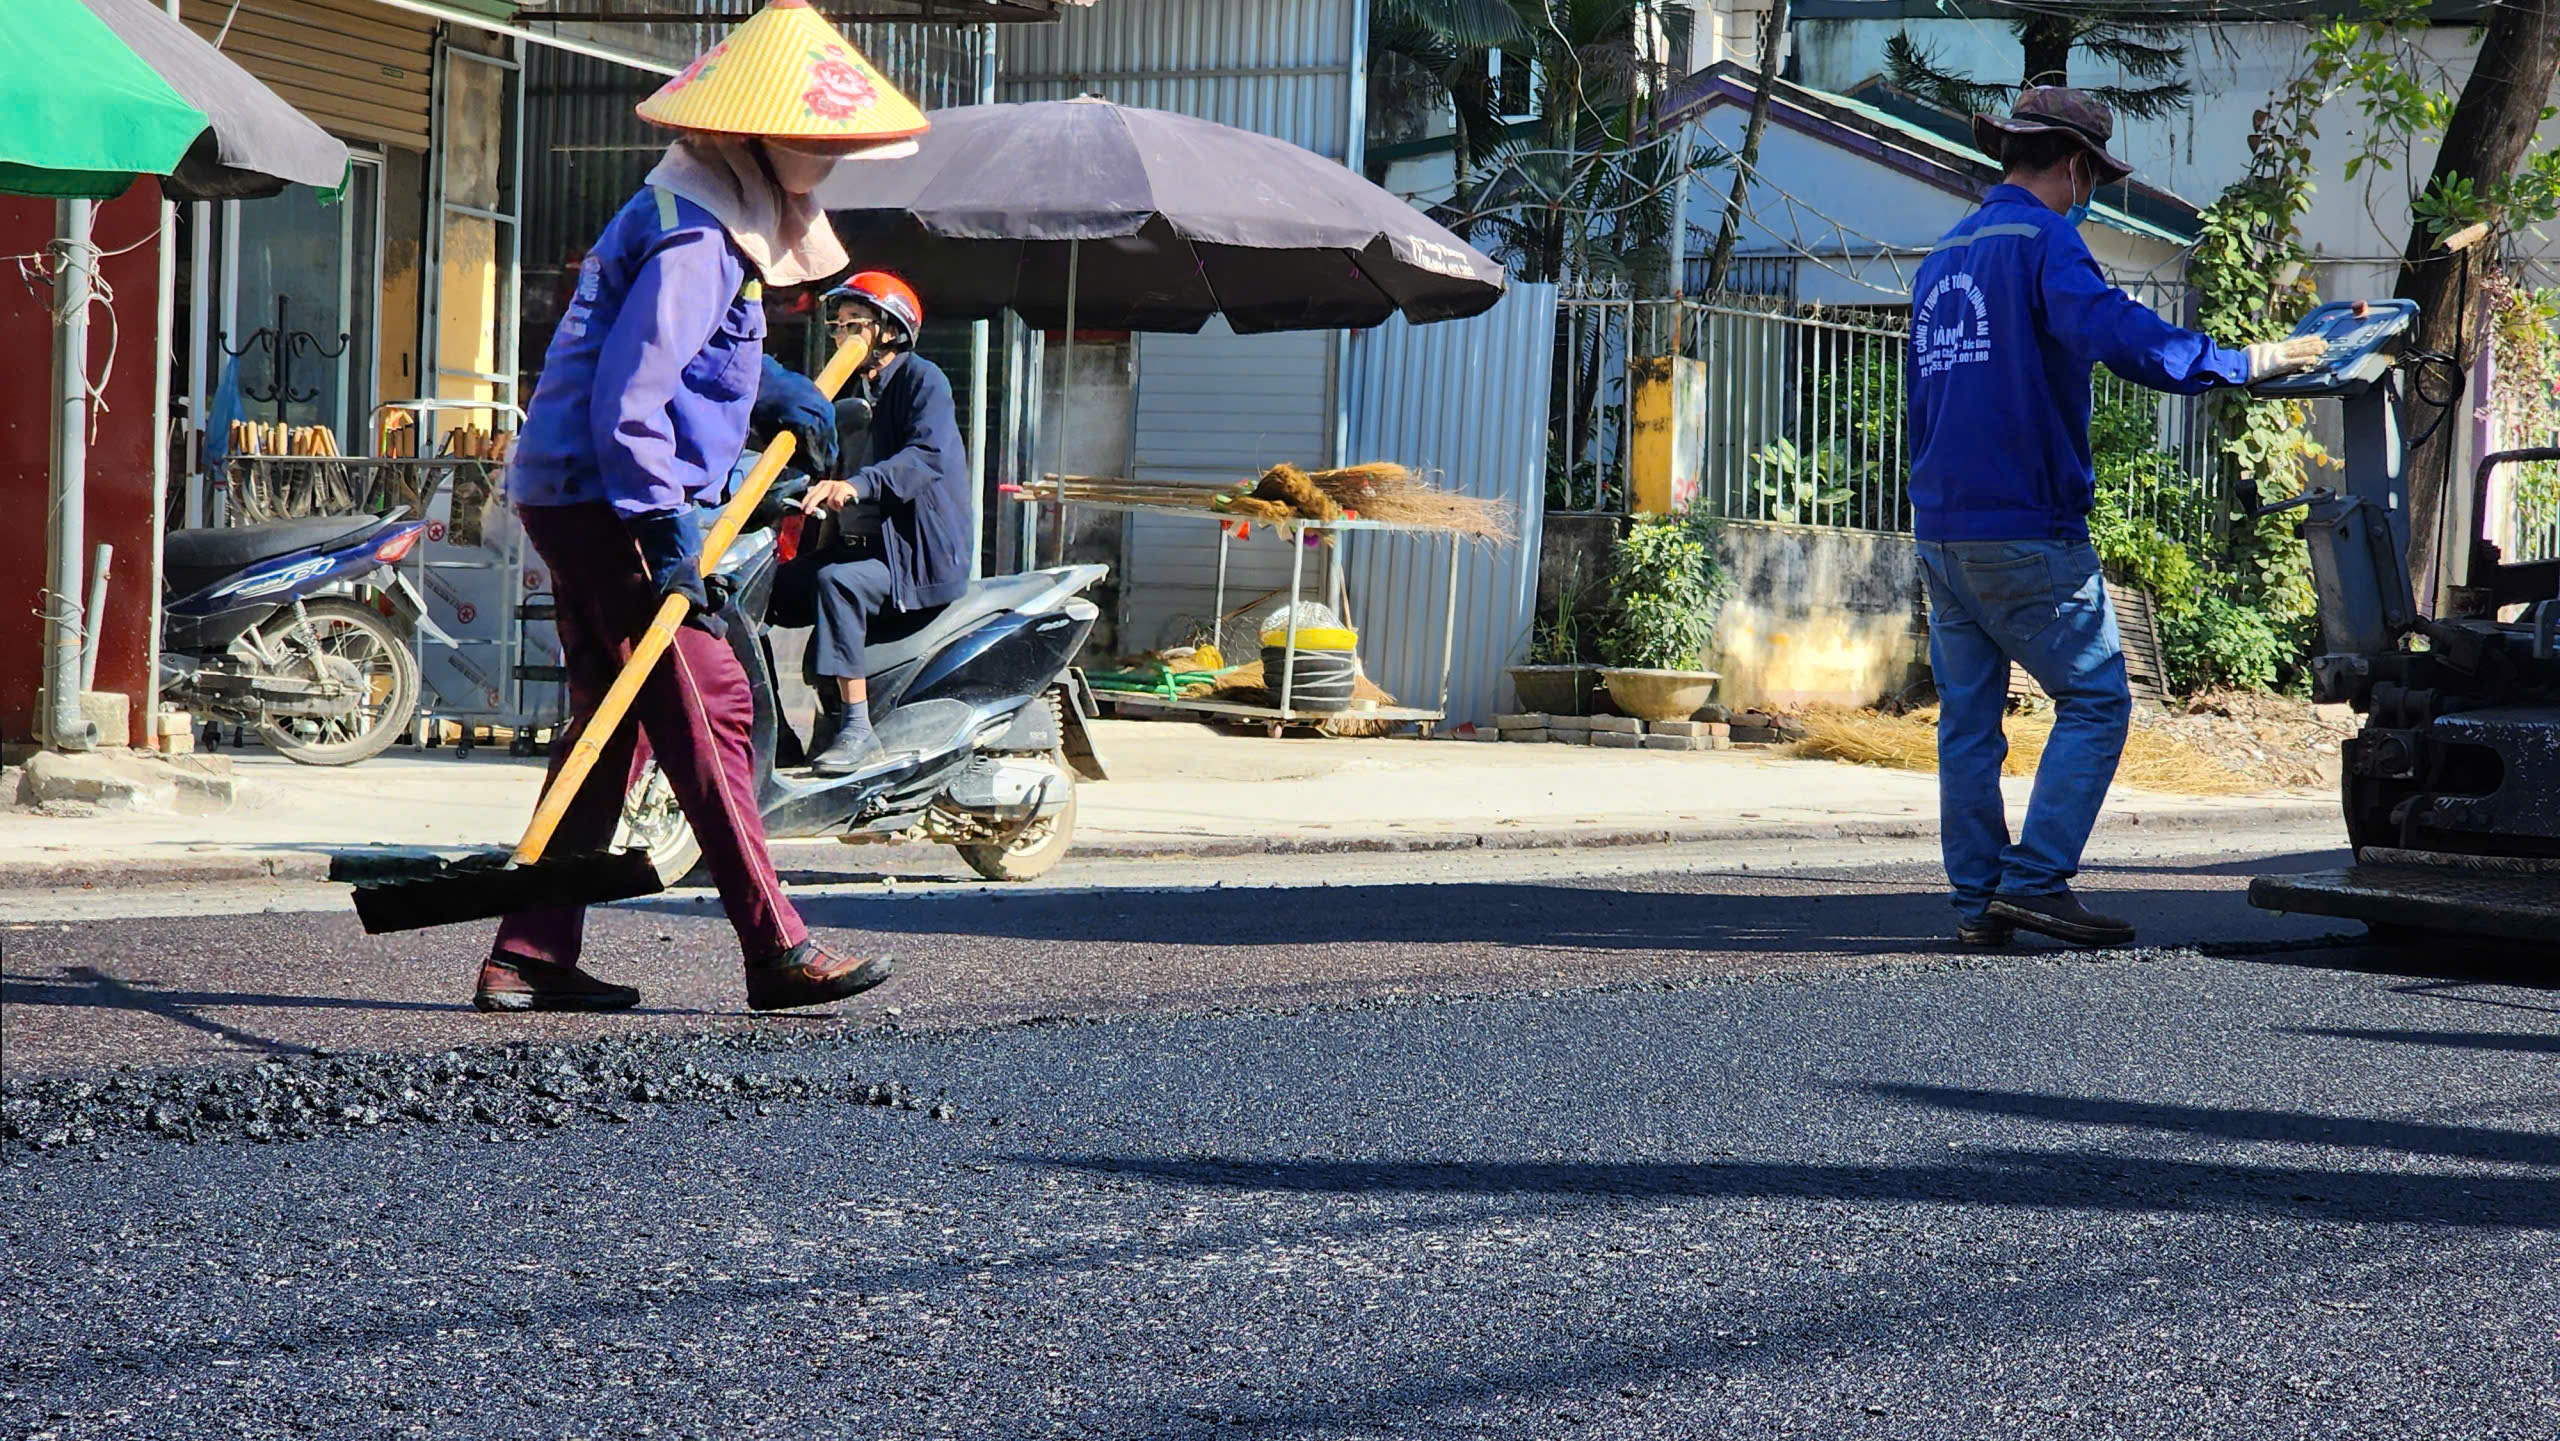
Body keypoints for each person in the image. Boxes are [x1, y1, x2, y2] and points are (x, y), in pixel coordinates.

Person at [477, 0, 926, 1014]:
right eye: (812, 138)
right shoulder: (696, 237)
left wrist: (777, 390)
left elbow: (685, 354)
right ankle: (776, 947)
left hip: (575, 492)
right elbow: (631, 397)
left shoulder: (692, 214)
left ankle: (528, 953)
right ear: (751, 135)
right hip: (610, 499)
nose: (827, 158)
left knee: (615, 723)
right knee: (712, 706)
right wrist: (661, 528)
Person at [1908, 87, 2328, 950]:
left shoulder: (1944, 254)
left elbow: (1924, 397)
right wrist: (2242, 362)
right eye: (2091, 177)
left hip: (1942, 530)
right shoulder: (2045, 241)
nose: (2088, 191)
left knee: (1969, 724)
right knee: (2097, 697)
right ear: (2074, 167)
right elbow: (2117, 332)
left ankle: (1976, 901)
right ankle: (2034, 879)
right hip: (2027, 525)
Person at [775, 270, 974, 776]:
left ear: (888, 329)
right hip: (854, 546)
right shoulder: (852, 399)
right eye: (838, 326)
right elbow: (814, 459)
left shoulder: (922, 380)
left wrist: (856, 486)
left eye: (854, 324)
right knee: (756, 591)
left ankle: (857, 730)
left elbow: (925, 456)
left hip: (907, 561)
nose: (842, 337)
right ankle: (771, 727)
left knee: (836, 582)